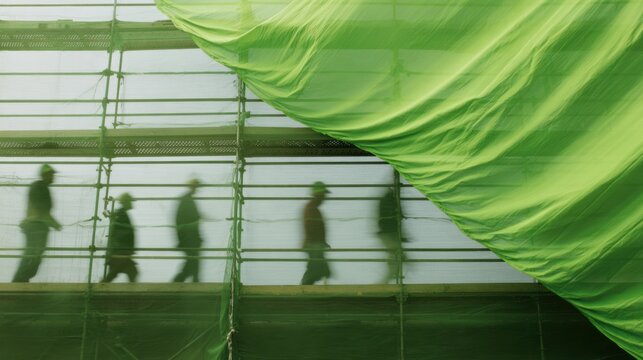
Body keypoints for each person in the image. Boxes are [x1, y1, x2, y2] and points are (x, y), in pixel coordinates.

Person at [12, 164, 62, 283]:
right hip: (36, 226)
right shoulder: (40, 187)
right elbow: (41, 208)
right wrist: (54, 223)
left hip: (35, 225)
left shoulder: (40, 187)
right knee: (33, 254)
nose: (53, 177)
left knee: (33, 254)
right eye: (51, 174)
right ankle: (19, 280)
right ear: (45, 175)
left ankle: (21, 279)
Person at [102, 193, 138, 283]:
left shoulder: (121, 214)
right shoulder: (121, 215)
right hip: (120, 252)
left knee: (115, 273)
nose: (132, 204)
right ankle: (133, 294)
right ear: (126, 202)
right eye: (130, 202)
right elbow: (121, 233)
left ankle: (100, 288)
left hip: (119, 252)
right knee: (131, 272)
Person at [300, 181, 332, 285]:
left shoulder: (313, 208)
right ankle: (303, 288)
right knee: (315, 269)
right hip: (314, 244)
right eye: (324, 195)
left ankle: (307, 288)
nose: (325, 198)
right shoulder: (311, 208)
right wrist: (318, 242)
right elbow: (311, 227)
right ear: (319, 194)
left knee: (318, 268)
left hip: (315, 244)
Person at [173, 178, 203, 283]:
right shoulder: (186, 200)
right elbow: (180, 221)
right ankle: (176, 284)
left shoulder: (187, 200)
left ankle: (181, 283)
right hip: (190, 240)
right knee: (192, 264)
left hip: (191, 239)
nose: (197, 189)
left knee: (193, 264)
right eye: (196, 186)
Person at [377, 187, 407, 284]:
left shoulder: (388, 199)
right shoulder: (390, 200)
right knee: (396, 253)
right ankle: (388, 278)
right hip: (389, 232)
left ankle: (390, 276)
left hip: (388, 232)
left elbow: (398, 216)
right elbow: (398, 217)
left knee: (395, 253)